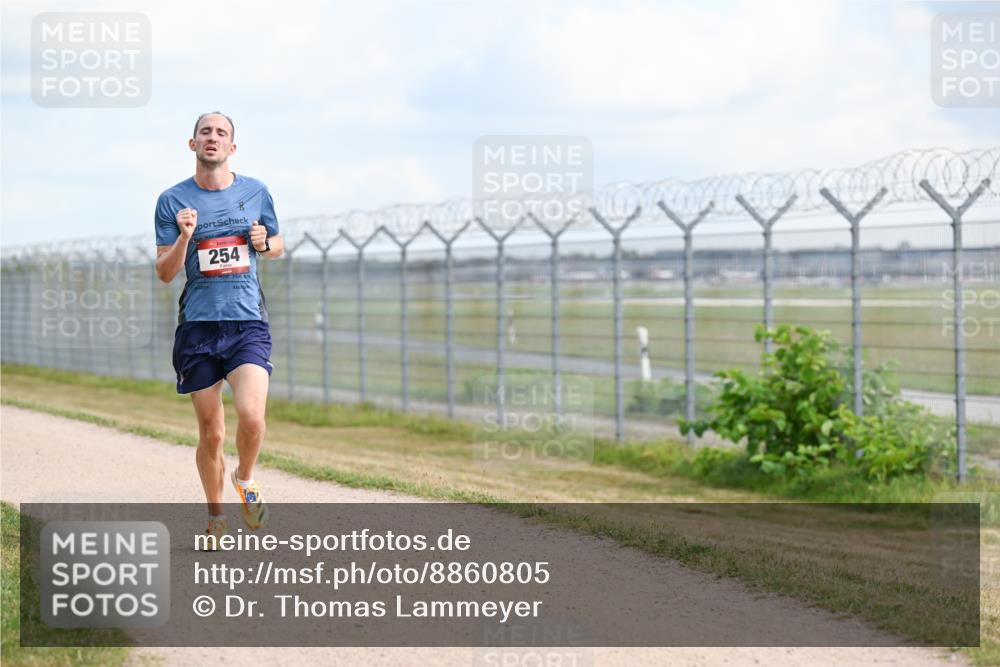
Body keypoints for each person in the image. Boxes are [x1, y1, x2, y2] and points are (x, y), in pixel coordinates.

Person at [154, 112, 284, 542]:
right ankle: (216, 518)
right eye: (205, 132)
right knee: (211, 433)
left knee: (252, 416)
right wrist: (184, 239)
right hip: (198, 327)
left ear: (232, 147)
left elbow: (277, 245)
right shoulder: (172, 201)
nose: (213, 138)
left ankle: (245, 478)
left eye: (221, 133)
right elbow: (165, 272)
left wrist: (267, 243)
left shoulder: (256, 191)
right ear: (193, 145)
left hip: (247, 321)